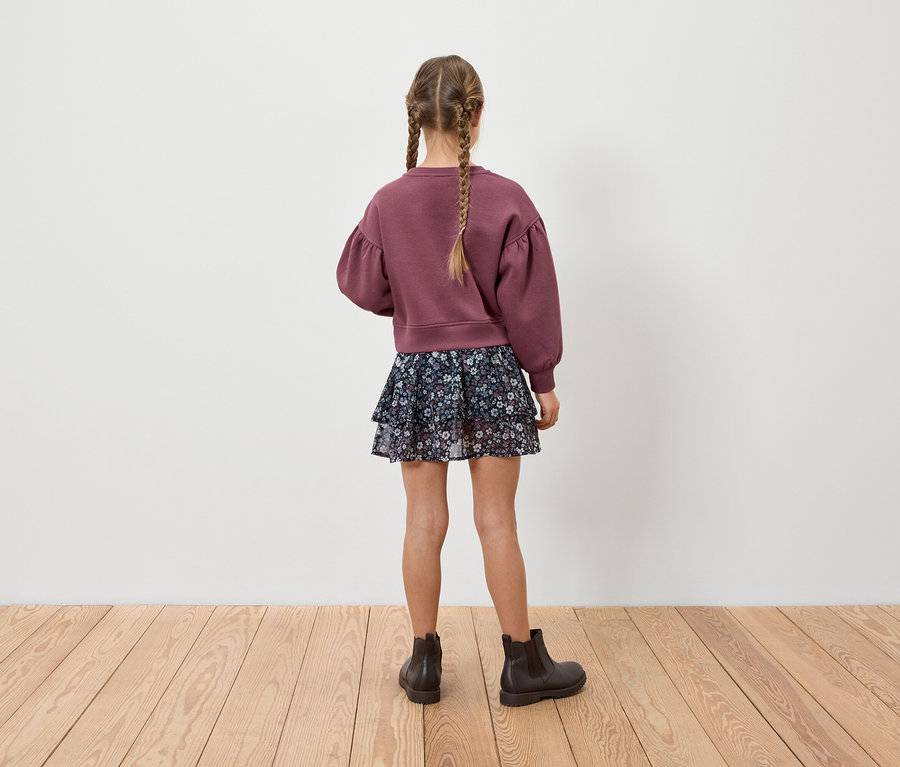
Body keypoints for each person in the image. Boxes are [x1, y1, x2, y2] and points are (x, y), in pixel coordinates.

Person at [336, 54, 586, 707]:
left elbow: (361, 283)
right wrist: (544, 378)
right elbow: (531, 300)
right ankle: (521, 665)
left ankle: (423, 661)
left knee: (422, 520)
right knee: (498, 520)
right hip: (494, 372)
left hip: (419, 375)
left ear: (417, 115)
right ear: (476, 114)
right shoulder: (508, 198)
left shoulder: (388, 202)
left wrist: (416, 310)